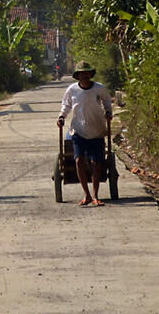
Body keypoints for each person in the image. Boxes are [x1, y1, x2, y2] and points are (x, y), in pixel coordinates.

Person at [57, 60, 112, 207]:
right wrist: (62, 116)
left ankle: (95, 196)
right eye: (82, 74)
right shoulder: (72, 89)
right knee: (79, 161)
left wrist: (108, 112)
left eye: (87, 73)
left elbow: (107, 101)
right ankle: (86, 195)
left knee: (96, 163)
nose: (84, 76)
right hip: (78, 130)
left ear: (91, 74)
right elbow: (66, 105)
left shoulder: (99, 89)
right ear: (78, 76)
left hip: (97, 130)